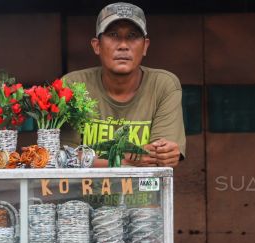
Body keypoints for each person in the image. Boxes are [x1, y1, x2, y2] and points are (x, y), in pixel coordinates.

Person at [62, 2, 186, 168]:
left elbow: (157, 159)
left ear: (145, 46)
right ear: (97, 45)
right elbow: (63, 158)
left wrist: (166, 155)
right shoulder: (73, 85)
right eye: (113, 35)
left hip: (144, 193)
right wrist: (125, 159)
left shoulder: (163, 85)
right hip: (83, 193)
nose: (123, 45)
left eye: (133, 36)